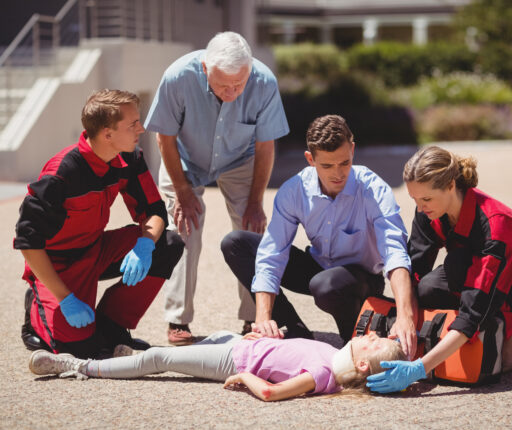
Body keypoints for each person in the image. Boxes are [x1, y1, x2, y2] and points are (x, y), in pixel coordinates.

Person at [366, 146, 512, 393]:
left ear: (450, 186)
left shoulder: (494, 226)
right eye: (414, 199)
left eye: (426, 199)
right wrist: (405, 320)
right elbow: (415, 270)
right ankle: (480, 337)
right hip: (472, 262)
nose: (420, 208)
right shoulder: (428, 210)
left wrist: (419, 368)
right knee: (426, 288)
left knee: (461, 273)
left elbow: (473, 310)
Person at [222, 115, 418, 358]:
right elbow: (272, 254)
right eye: (327, 166)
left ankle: (353, 333)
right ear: (310, 159)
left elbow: (395, 251)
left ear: (353, 150)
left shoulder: (373, 188)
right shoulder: (294, 190)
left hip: (361, 279)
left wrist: (405, 316)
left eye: (344, 163)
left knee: (326, 286)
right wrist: (263, 317)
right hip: (319, 268)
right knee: (236, 243)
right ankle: (290, 329)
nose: (338, 174)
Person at [14, 89, 184, 359]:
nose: (141, 128)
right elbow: (28, 242)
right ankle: (35, 310)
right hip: (58, 264)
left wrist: (145, 244)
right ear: (108, 134)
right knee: (82, 351)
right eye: (133, 124)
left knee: (168, 243)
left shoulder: (129, 158)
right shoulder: (61, 174)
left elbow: (155, 211)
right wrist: (66, 298)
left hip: (96, 249)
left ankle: (111, 325)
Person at [144, 31, 289, 345]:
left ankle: (254, 319)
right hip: (183, 158)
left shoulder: (263, 82)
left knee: (252, 229)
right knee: (184, 227)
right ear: (205, 66)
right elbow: (163, 139)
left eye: (240, 83)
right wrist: (182, 191)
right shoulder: (177, 77)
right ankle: (177, 320)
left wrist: (255, 201)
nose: (233, 91)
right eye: (224, 84)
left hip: (242, 157)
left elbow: (266, 147)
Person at [28, 330, 405, 401]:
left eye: (374, 343)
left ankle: (77, 365)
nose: (370, 335)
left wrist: (245, 375)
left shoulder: (325, 374)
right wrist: (270, 341)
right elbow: (289, 356)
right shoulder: (334, 355)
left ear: (361, 362)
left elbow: (273, 392)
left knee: (161, 358)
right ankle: (129, 361)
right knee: (161, 354)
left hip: (234, 360)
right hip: (243, 346)